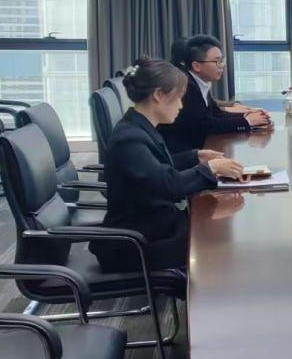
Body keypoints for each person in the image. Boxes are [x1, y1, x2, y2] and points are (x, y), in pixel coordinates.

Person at [93, 57, 246, 273]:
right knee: (216, 245)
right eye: (178, 98)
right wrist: (210, 169)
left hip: (155, 227)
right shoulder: (130, 139)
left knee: (216, 232)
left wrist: (195, 157)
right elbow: (169, 185)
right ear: (158, 95)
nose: (181, 106)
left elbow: (156, 167)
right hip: (136, 244)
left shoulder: (139, 126)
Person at [160, 34, 269, 153]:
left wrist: (248, 116)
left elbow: (216, 113)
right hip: (183, 153)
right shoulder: (186, 86)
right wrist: (247, 122)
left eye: (222, 61)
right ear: (196, 66)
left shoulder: (199, 81)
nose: (221, 66)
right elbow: (206, 125)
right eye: (217, 61)